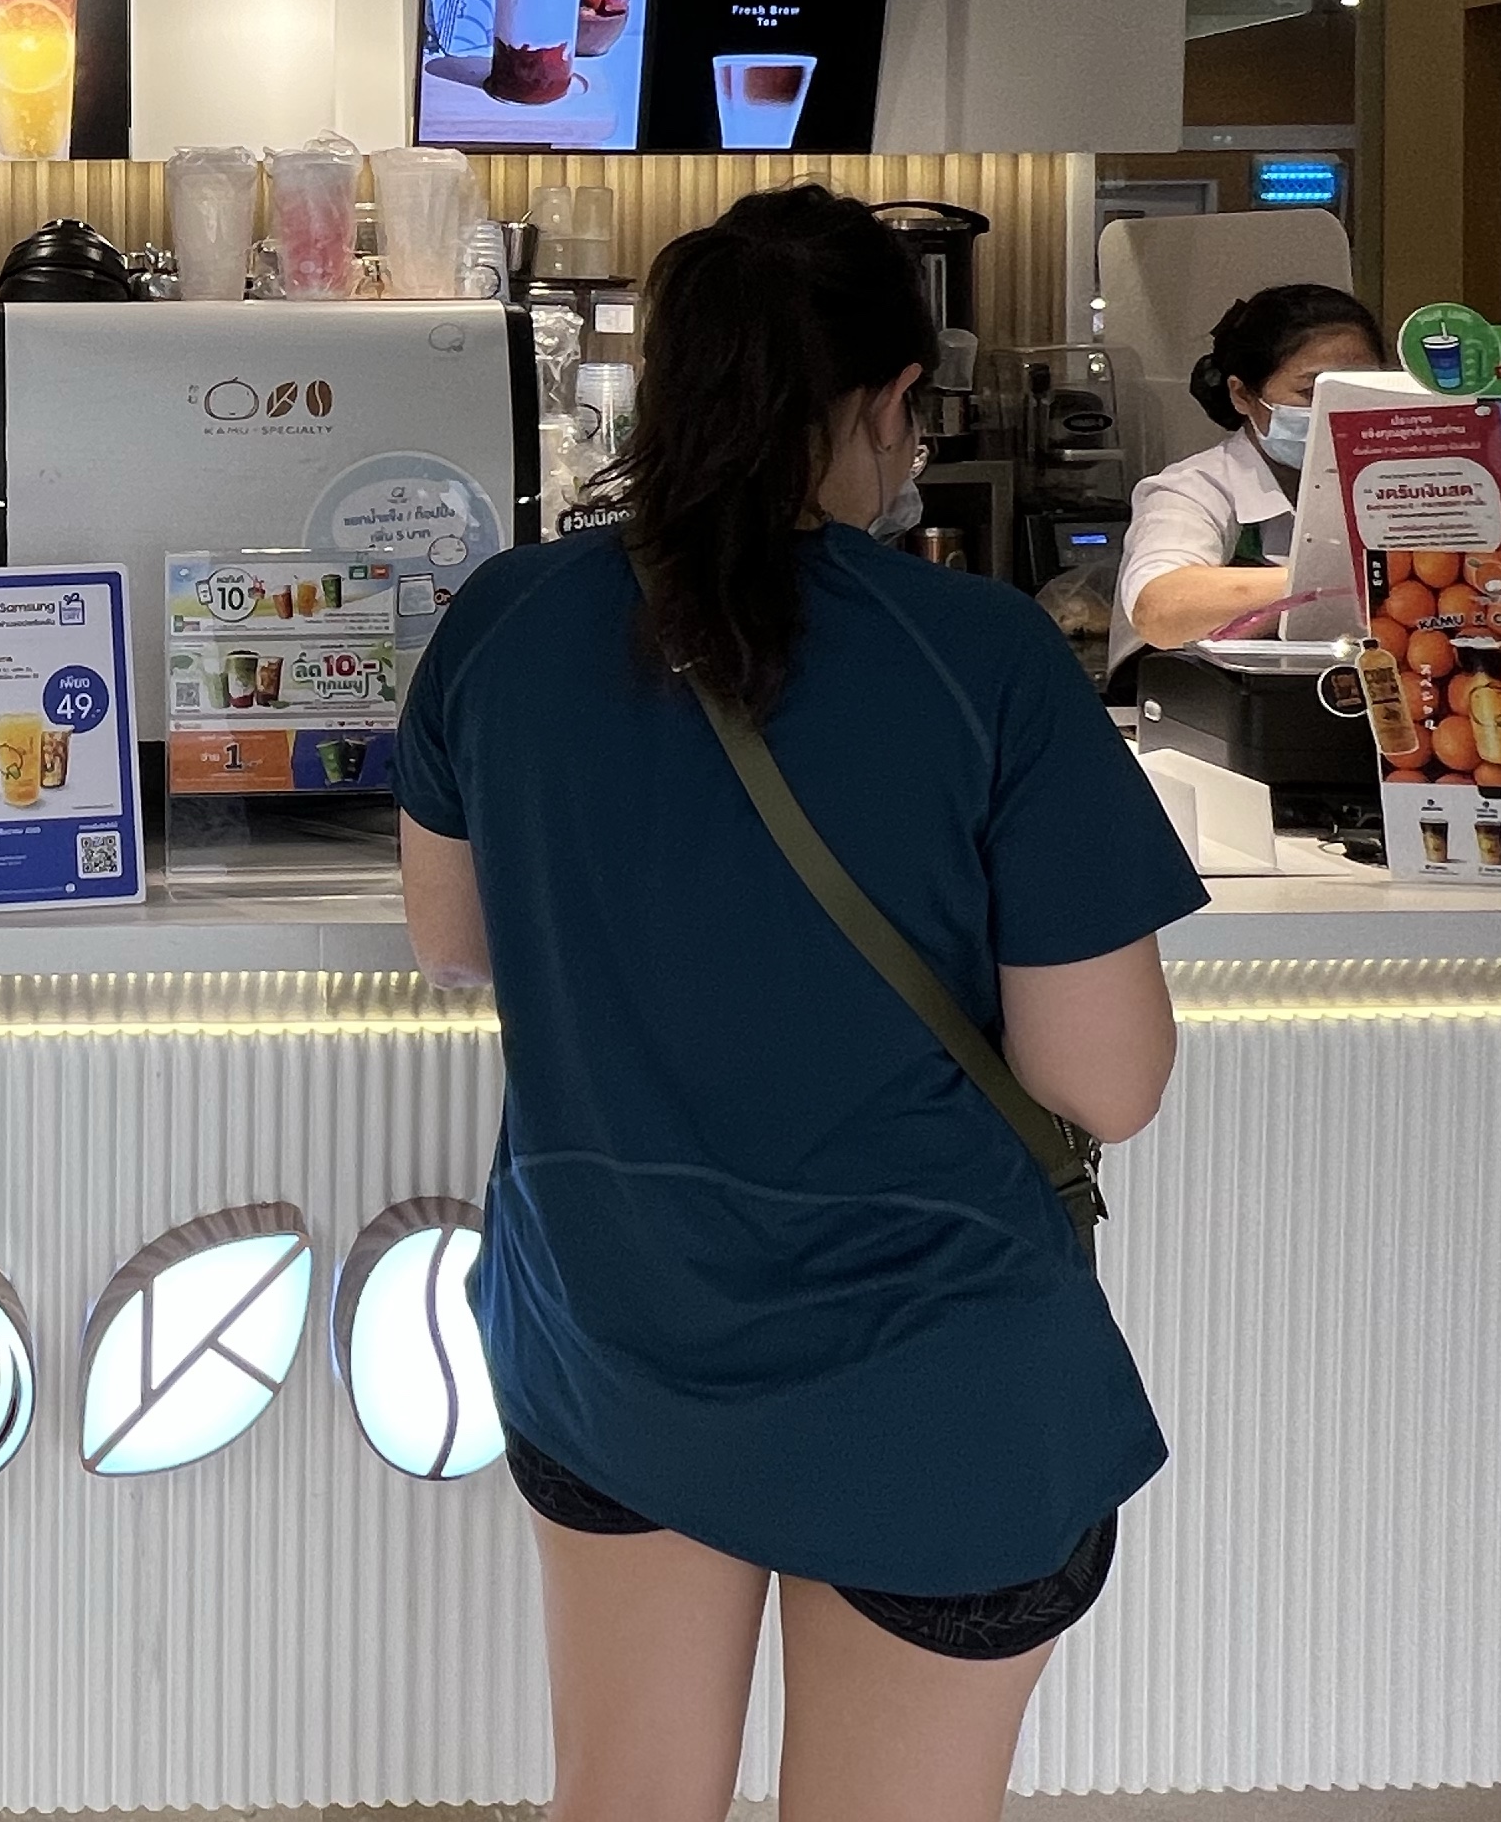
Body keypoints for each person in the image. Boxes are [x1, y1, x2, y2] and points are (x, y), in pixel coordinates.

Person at [397, 185, 1202, 1822]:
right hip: (931, 1367)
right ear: (890, 399)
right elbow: (1104, 1080)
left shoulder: (503, 620)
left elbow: (454, 937)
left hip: (613, 1326)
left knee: (625, 1797)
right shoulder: (981, 653)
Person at [1118, 283, 1387, 651]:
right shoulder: (1194, 488)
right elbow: (1162, 609)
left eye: (1360, 388)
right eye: (1312, 393)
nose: (1338, 409)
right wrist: (1374, 580)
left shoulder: (1397, 481)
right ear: (1243, 394)